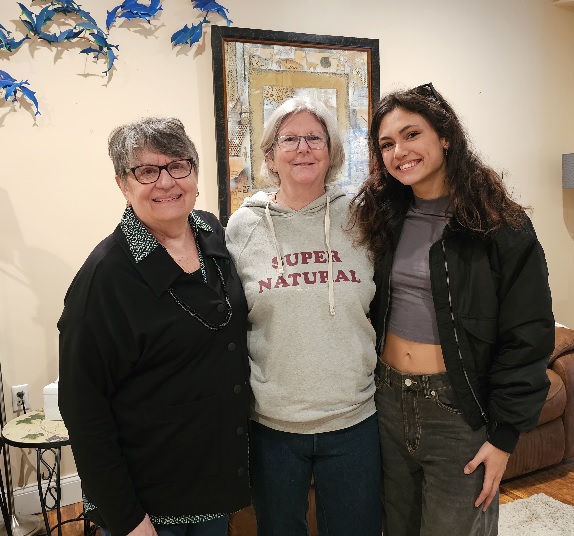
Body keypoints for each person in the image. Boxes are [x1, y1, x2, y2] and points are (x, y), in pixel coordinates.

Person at [349, 83, 555, 536]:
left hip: (458, 410)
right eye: (387, 143)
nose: (399, 151)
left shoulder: (501, 226)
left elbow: (529, 335)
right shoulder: (383, 218)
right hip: (386, 402)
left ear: (445, 137)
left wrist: (504, 437)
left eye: (411, 134)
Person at [58, 117, 251, 536]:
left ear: (195, 174)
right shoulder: (104, 280)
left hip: (211, 484)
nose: (166, 182)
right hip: (149, 503)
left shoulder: (210, 233)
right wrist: (128, 520)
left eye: (178, 165)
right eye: (146, 171)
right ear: (122, 185)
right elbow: (83, 411)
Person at [225, 96, 382, 536]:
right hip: (272, 424)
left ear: (331, 150)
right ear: (271, 155)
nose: (303, 148)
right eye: (289, 139)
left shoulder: (362, 219)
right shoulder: (242, 228)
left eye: (314, 138)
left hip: (353, 419)